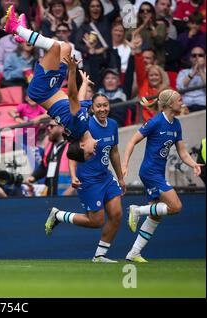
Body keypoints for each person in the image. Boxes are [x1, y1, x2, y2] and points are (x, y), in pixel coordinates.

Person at [3, 5, 98, 162]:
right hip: (53, 88)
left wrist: (73, 71)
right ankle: (22, 36)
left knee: (54, 47)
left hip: (43, 90)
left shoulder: (79, 129)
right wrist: (85, 84)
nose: (93, 152)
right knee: (66, 47)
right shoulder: (83, 128)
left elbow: (73, 98)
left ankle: (15, 28)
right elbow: (79, 102)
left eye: (89, 154)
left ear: (82, 146)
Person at [121, 89, 203, 263]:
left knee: (156, 215)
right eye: (179, 100)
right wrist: (125, 164)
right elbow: (131, 141)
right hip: (150, 172)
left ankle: (133, 253)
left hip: (158, 172)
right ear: (168, 104)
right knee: (176, 207)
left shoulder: (177, 124)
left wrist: (193, 164)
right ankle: (137, 210)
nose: (182, 102)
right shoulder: (155, 122)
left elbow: (182, 152)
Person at [44, 93, 125, 263]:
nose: (103, 109)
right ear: (93, 108)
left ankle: (99, 256)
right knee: (96, 221)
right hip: (88, 179)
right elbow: (72, 153)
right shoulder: (85, 126)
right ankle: (58, 215)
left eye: (105, 105)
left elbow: (114, 152)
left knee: (117, 214)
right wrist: (73, 176)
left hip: (106, 177)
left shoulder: (112, 124)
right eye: (98, 106)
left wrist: (120, 177)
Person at [25, 119, 74, 196]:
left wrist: (70, 191)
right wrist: (33, 177)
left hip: (68, 197)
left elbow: (82, 173)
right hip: (51, 196)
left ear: (62, 127)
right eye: (48, 126)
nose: (48, 128)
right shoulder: (49, 146)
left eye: (51, 126)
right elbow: (44, 166)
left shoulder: (73, 147)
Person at [176, 46, 206, 113]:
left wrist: (201, 70)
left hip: (203, 105)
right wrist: (192, 73)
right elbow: (180, 88)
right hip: (186, 106)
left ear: (205, 58)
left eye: (200, 55)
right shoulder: (183, 72)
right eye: (194, 55)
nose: (197, 57)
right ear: (190, 58)